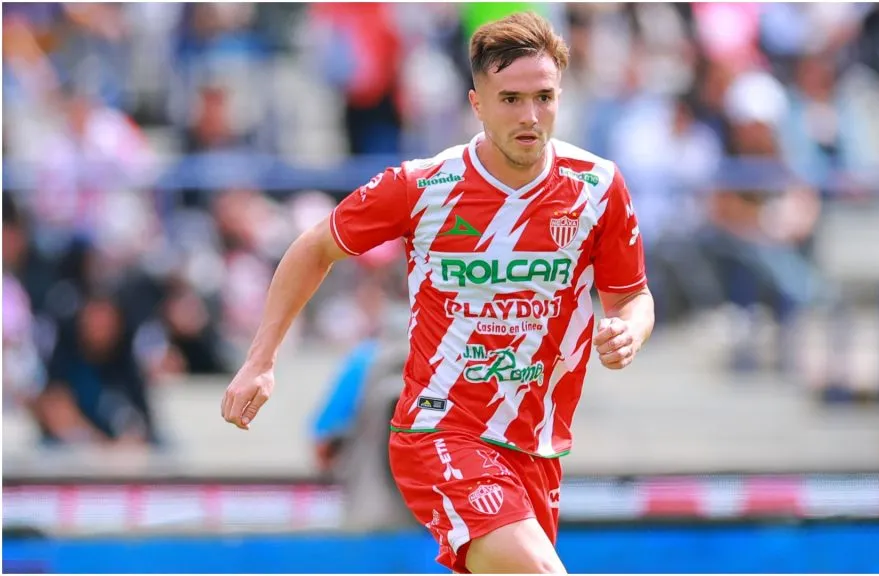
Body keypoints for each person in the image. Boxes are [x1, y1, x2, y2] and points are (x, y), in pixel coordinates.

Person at [220, 11, 655, 574]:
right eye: (510, 99)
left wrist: (629, 330)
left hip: (536, 444)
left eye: (544, 97)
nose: (530, 116)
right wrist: (260, 359)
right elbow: (314, 248)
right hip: (442, 430)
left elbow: (632, 296)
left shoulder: (596, 186)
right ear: (477, 103)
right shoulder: (425, 185)